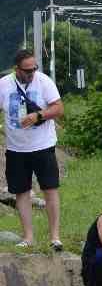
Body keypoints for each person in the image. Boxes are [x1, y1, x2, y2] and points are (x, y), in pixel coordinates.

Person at [2, 49, 65, 250]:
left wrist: (38, 116)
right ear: (17, 69)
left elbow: (58, 108)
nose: (31, 73)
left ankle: (55, 237)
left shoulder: (44, 81)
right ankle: (28, 237)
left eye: (34, 69)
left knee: (50, 189)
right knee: (21, 192)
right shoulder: (4, 84)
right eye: (27, 70)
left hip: (42, 145)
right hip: (15, 148)